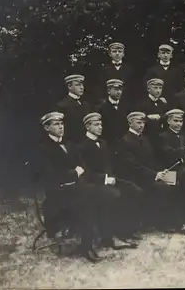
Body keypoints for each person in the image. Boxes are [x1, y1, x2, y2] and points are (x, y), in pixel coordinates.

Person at [36, 112, 107, 263]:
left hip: (76, 188)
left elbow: (83, 165)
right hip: (57, 195)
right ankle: (87, 246)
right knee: (85, 203)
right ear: (46, 127)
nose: (61, 126)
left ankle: (105, 236)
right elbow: (52, 175)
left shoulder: (69, 144)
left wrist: (77, 173)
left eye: (61, 123)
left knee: (101, 193)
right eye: (55, 124)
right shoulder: (43, 149)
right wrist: (75, 172)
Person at [114, 111, 185, 235]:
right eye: (138, 123)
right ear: (130, 123)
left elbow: (152, 159)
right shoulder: (125, 141)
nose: (141, 125)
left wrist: (161, 171)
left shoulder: (144, 138)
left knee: (174, 181)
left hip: (149, 174)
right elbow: (133, 166)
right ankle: (165, 223)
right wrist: (154, 174)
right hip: (136, 177)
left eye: (143, 123)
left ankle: (176, 221)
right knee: (162, 188)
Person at [77, 112, 141, 249]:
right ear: (87, 127)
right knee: (113, 195)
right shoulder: (82, 146)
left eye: (101, 124)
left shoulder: (103, 143)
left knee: (132, 188)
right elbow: (86, 171)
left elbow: (109, 164)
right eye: (96, 125)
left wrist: (111, 177)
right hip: (93, 183)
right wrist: (105, 179)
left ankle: (126, 230)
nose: (100, 127)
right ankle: (109, 237)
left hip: (109, 179)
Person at [56, 75, 91, 144]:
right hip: (72, 144)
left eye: (82, 85)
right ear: (69, 86)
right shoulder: (62, 105)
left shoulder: (86, 105)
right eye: (78, 85)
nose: (81, 87)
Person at [95, 79, 131, 146]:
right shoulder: (100, 108)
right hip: (107, 144)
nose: (119, 92)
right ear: (109, 91)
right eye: (116, 89)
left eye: (120, 90)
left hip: (123, 144)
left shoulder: (126, 107)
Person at [135, 78, 170, 143]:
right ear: (148, 89)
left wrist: (159, 116)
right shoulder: (142, 103)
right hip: (147, 136)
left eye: (160, 88)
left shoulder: (163, 103)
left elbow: (166, 117)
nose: (158, 91)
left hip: (162, 136)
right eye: (155, 88)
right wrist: (148, 117)